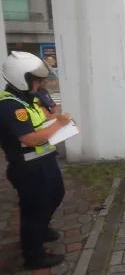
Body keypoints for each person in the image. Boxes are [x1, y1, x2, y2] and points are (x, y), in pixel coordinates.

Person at [0, 51, 71, 269]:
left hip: (43, 160)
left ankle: (42, 229)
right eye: (38, 80)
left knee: (55, 195)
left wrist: (53, 117)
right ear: (23, 78)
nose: (42, 83)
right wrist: (59, 124)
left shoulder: (29, 98)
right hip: (28, 167)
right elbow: (29, 137)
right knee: (34, 211)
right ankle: (34, 256)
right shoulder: (10, 105)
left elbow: (47, 116)